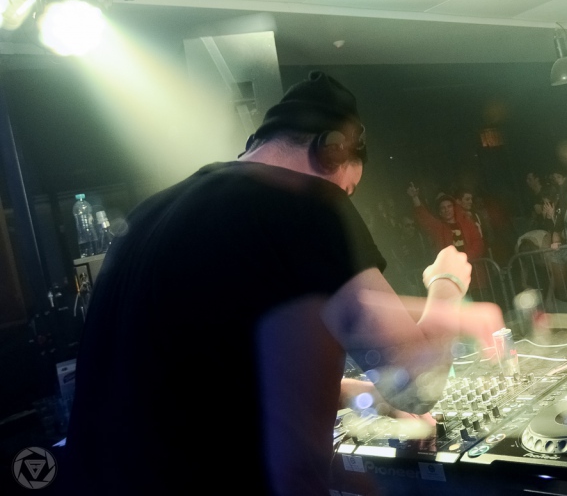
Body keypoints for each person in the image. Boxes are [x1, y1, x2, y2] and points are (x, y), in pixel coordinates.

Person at [65, 71, 504, 496]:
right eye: (348, 187)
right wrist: (447, 283)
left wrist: (361, 395)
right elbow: (417, 384)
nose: (345, 198)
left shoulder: (151, 213)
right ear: (331, 151)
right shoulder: (306, 204)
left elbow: (206, 377)